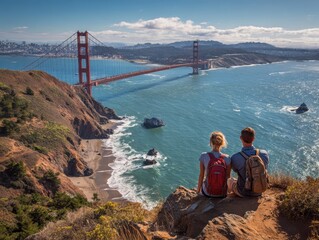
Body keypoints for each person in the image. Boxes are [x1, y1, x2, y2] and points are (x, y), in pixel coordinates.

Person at [228, 127, 269, 197]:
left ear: (241, 138)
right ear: (253, 139)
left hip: (243, 192)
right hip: (259, 191)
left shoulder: (235, 157)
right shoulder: (264, 153)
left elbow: (236, 171)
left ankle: (229, 198)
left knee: (230, 180)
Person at [197, 131, 231, 197]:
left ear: (211, 142)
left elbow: (201, 175)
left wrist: (198, 191)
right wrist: (228, 193)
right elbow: (228, 177)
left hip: (207, 193)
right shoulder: (227, 158)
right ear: (222, 143)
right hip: (222, 193)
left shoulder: (204, 156)